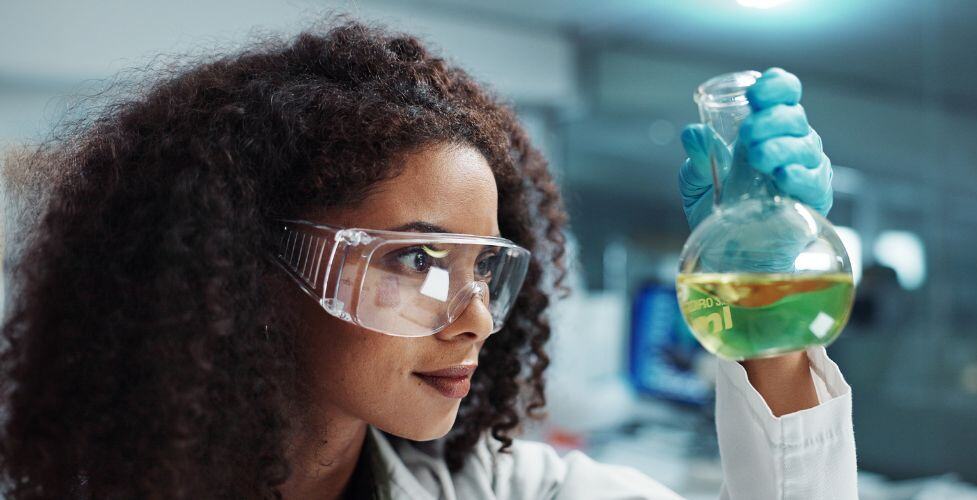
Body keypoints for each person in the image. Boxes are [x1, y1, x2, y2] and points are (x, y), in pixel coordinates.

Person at [0, 20, 855, 499]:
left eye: (484, 266)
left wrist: (768, 307)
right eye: (415, 260)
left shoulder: (499, 491)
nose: (476, 315)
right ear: (252, 273)